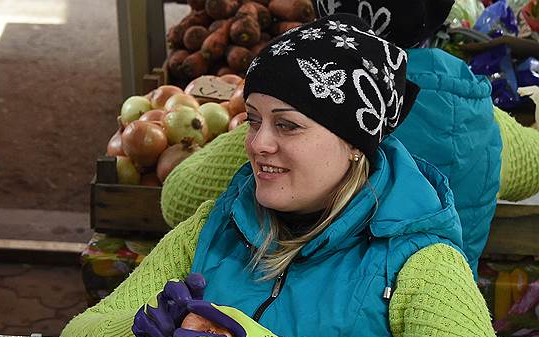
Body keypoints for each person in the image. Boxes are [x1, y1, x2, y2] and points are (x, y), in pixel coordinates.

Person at [55, 13, 514, 337]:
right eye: (253, 121)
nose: (258, 144)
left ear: (354, 141)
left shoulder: (412, 255)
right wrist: (136, 332)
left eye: (288, 126)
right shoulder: (214, 229)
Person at [161, 0, 539, 277]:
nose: (261, 141)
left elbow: (177, 197)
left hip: (313, 335)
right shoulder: (478, 114)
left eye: (286, 125)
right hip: (441, 314)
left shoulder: (297, 111)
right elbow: (532, 165)